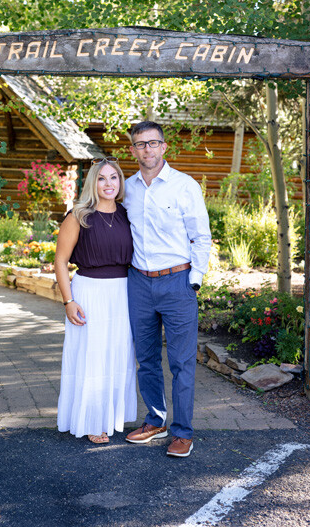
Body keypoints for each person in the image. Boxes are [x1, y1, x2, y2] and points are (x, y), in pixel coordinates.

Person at [123, 121, 211, 457]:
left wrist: (194, 279)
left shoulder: (184, 186)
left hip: (177, 282)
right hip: (139, 283)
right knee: (146, 359)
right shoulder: (126, 189)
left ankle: (182, 432)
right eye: (140, 144)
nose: (146, 149)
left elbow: (201, 236)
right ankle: (155, 420)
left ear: (163, 146)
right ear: (133, 150)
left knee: (181, 362)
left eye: (152, 142)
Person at [55, 157, 137, 444]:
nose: (108, 183)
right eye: (102, 178)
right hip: (88, 292)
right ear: (93, 182)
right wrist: (68, 301)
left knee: (117, 356)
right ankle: (91, 420)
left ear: (120, 182)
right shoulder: (79, 215)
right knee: (92, 357)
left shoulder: (127, 214)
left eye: (114, 177)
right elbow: (61, 261)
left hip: (122, 293)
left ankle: (110, 417)